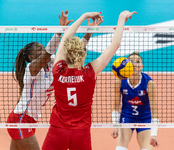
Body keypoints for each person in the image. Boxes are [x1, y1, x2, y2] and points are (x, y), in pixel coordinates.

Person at [42, 10, 137, 150]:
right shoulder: (90, 73)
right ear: (83, 54)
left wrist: (84, 16)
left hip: (58, 130)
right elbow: (114, 46)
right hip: (81, 133)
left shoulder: (57, 70)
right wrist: (121, 17)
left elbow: (65, 38)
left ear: (66, 53)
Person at [7, 10, 74, 150]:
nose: (43, 49)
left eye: (42, 47)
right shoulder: (31, 69)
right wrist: (59, 31)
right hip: (21, 119)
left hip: (31, 120)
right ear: (31, 57)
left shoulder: (51, 65)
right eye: (39, 49)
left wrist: (87, 35)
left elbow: (68, 55)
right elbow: (49, 52)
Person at [111, 52, 159, 150]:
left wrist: (154, 134)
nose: (134, 64)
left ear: (142, 66)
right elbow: (115, 107)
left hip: (145, 119)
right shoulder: (119, 81)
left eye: (137, 62)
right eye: (131, 61)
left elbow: (154, 112)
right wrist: (115, 126)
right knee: (120, 148)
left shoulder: (149, 83)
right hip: (127, 118)